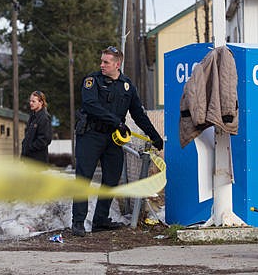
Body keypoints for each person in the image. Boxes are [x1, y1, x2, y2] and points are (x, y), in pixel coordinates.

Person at [72, 46, 164, 237]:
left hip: (113, 138)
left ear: (117, 64)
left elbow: (139, 114)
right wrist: (116, 122)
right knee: (83, 178)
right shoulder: (93, 81)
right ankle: (78, 222)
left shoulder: (127, 86)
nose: (102, 65)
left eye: (106, 62)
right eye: (101, 61)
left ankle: (100, 220)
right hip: (91, 135)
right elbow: (90, 105)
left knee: (112, 179)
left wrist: (154, 136)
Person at [21, 91, 53, 163]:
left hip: (38, 162)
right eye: (30, 101)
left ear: (41, 102)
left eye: (33, 101)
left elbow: (45, 139)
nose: (31, 103)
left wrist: (30, 147)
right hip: (28, 161)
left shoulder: (44, 118)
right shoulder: (32, 117)